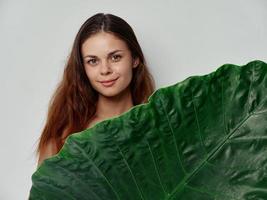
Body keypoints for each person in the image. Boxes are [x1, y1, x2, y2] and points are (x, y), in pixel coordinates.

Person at [35, 12, 155, 168]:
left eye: (115, 57)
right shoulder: (62, 138)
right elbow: (45, 191)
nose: (105, 70)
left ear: (135, 59)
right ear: (82, 68)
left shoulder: (158, 129)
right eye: (93, 61)